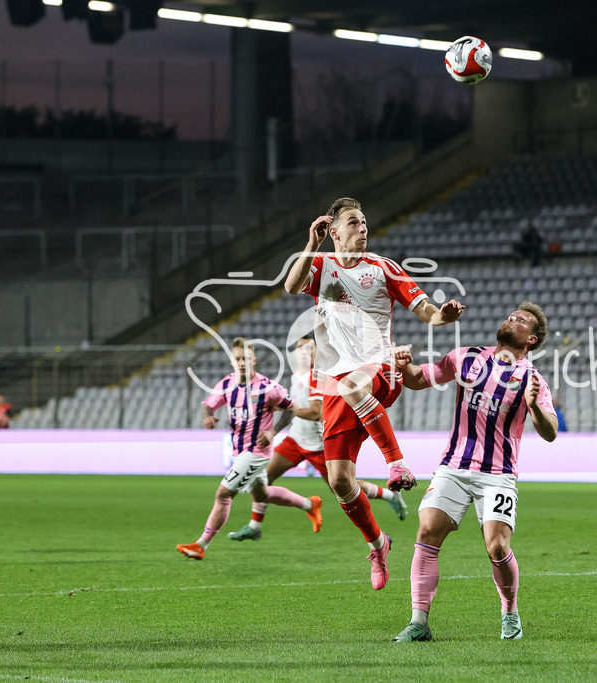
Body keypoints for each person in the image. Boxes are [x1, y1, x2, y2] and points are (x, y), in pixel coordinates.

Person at [284, 197, 464, 590]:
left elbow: (428, 312)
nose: (362, 228)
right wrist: (310, 245)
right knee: (339, 480)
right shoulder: (321, 265)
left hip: (380, 369)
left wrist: (443, 316)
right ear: (333, 231)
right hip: (339, 382)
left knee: (353, 385)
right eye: (353, 222)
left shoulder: (383, 268)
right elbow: (291, 285)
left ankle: (396, 463)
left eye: (364, 222)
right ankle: (378, 543)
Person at [390, 303, 559, 643]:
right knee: (427, 530)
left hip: (498, 473)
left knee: (497, 547)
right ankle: (419, 622)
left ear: (532, 338)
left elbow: (550, 430)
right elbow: (418, 380)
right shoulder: (465, 357)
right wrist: (403, 366)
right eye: (511, 315)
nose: (512, 318)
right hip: (454, 465)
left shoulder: (532, 379)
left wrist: (536, 407)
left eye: (521, 320)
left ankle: (510, 613)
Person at [227, 336, 408, 541]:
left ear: (316, 353)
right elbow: (292, 411)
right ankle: (255, 526)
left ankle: (388, 497)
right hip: (295, 440)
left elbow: (315, 413)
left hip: (318, 444)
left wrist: (289, 409)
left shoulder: (319, 376)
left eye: (309, 349)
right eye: (300, 348)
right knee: (262, 480)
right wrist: (276, 428)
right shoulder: (296, 376)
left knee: (343, 486)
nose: (304, 352)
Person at [176, 338, 322, 561]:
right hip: (239, 451)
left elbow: (291, 408)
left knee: (223, 494)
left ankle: (201, 545)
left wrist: (273, 431)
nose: (242, 363)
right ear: (232, 362)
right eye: (237, 359)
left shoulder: (268, 387)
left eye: (246, 358)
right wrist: (208, 417)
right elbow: (208, 404)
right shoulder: (227, 384)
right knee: (262, 493)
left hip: (257, 453)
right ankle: (309, 504)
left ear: (253, 360)